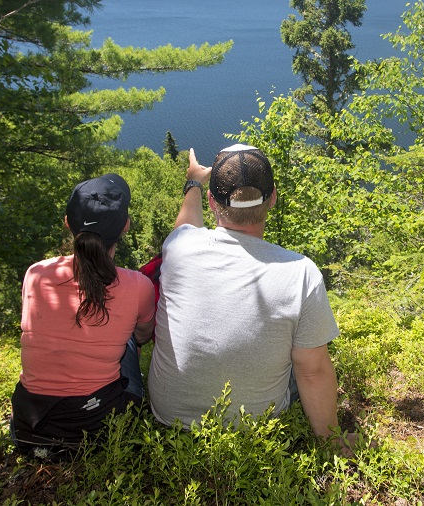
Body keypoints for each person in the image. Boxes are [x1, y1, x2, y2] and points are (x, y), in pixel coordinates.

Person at [148, 144, 351, 451]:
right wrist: (333, 441)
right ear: (272, 197)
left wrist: (193, 181)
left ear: (213, 202)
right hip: (255, 429)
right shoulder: (301, 273)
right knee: (306, 355)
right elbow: (313, 373)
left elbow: (187, 224)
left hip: (170, 422)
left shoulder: (178, 247)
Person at [11, 174, 156, 458]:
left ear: (67, 222)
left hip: (29, 430)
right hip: (99, 429)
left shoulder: (35, 274)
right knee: (128, 339)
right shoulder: (138, 285)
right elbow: (144, 335)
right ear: (125, 226)